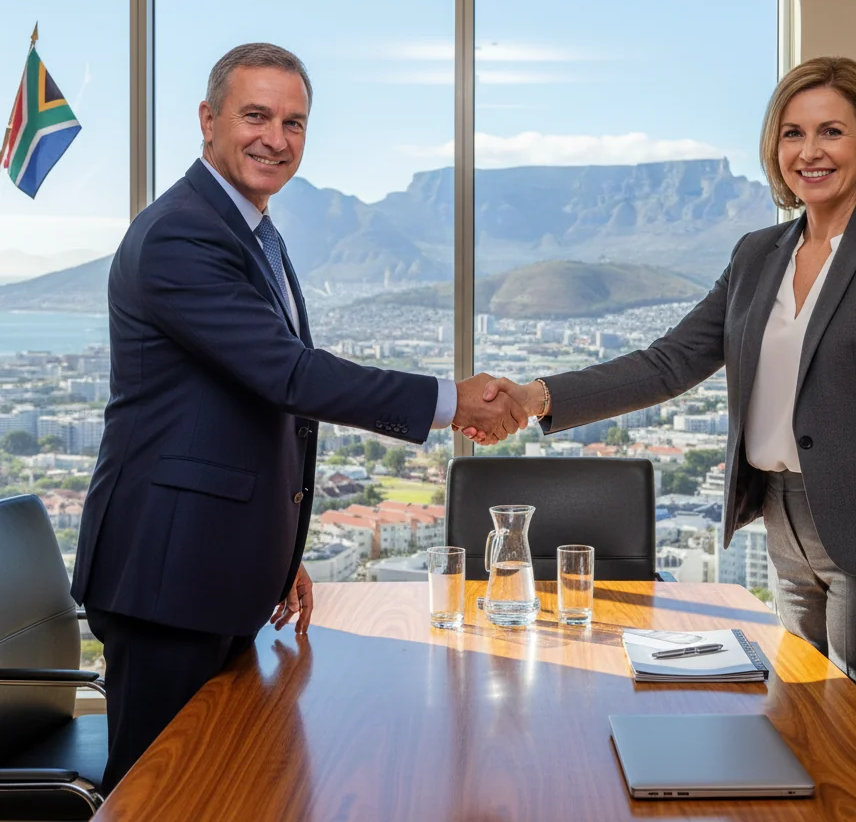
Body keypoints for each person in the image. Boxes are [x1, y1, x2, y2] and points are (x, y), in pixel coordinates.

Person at [464, 56, 856, 747]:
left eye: (831, 132)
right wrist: (534, 396)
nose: (810, 152)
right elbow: (669, 362)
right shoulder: (758, 253)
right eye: (793, 134)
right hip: (783, 527)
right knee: (803, 732)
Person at [71, 43, 527, 793]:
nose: (275, 139)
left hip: (205, 567)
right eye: (256, 115)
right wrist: (449, 401)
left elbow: (240, 414)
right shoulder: (182, 234)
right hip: (164, 575)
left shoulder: (252, 231)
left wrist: (278, 555)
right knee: (156, 796)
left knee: (222, 785)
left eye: (294, 122)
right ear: (207, 120)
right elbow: (288, 376)